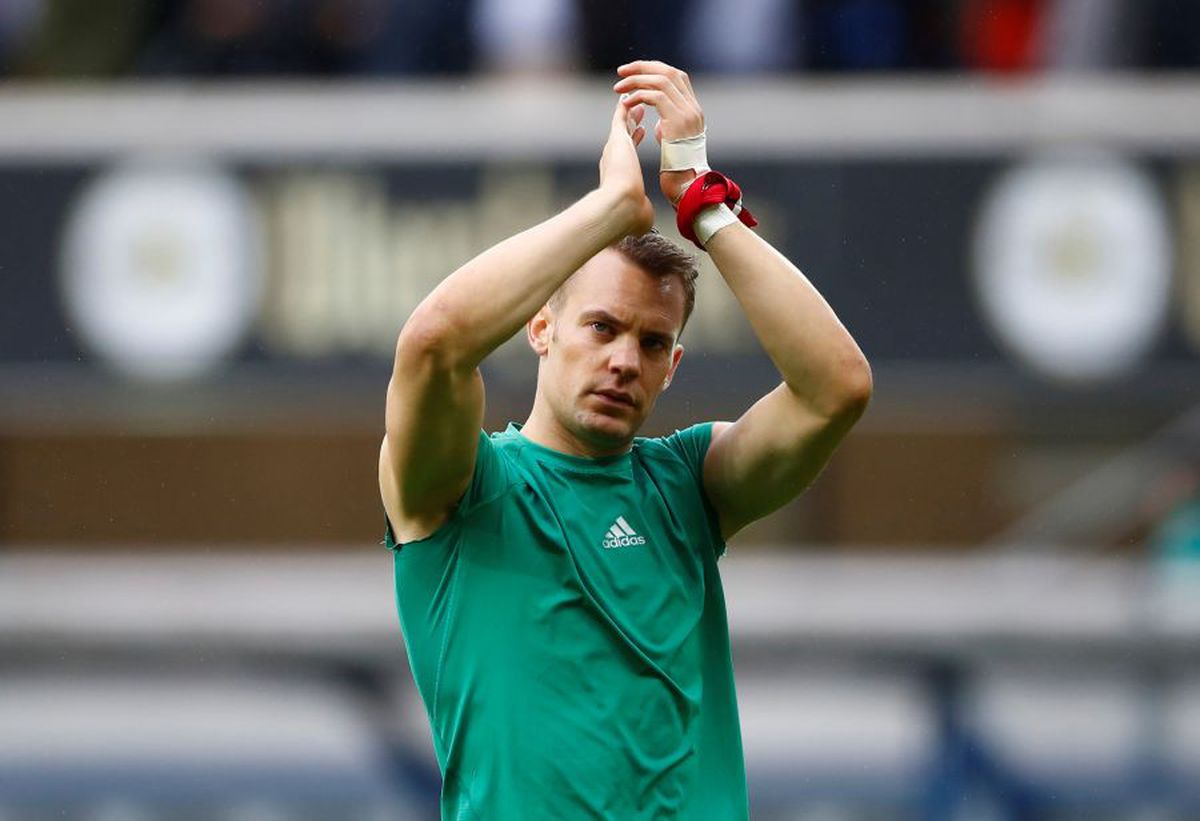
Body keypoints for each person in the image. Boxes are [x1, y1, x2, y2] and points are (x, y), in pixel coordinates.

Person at [378, 60, 872, 820]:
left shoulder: (686, 488)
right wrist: (613, 208)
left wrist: (704, 207)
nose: (622, 360)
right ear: (540, 329)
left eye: (651, 343)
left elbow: (836, 387)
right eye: (602, 327)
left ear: (672, 366)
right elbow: (436, 342)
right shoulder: (463, 488)